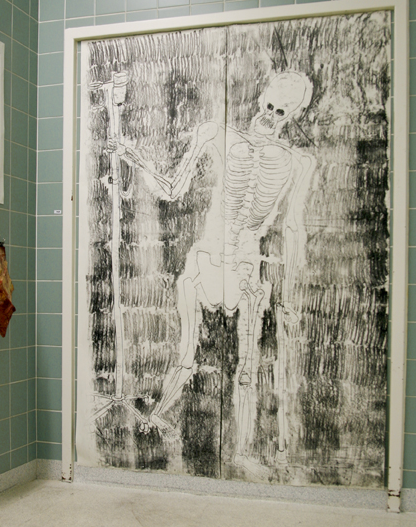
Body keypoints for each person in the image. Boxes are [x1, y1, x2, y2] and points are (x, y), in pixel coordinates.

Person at [109, 69, 315, 473]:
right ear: (261, 97)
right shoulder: (217, 135)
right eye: (269, 105)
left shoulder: (298, 162)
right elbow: (172, 189)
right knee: (185, 357)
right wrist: (133, 156)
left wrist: (290, 294)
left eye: (281, 111)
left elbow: (294, 228)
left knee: (247, 372)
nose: (270, 115)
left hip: (246, 270)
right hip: (205, 259)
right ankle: (157, 417)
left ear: (294, 115)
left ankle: (241, 454)